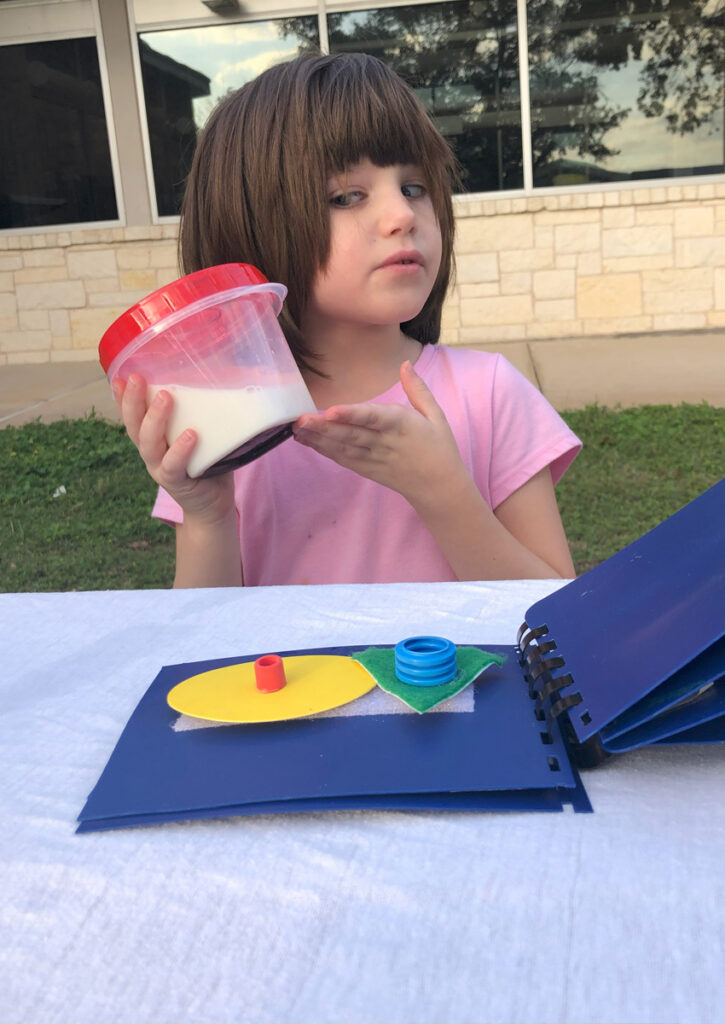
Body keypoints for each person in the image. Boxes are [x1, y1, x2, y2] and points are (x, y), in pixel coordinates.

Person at [114, 51, 581, 588]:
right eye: (346, 196)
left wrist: (443, 493)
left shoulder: (491, 393)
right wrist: (207, 516)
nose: (402, 215)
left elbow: (552, 624)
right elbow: (201, 646)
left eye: (414, 187)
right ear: (252, 228)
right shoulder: (227, 423)